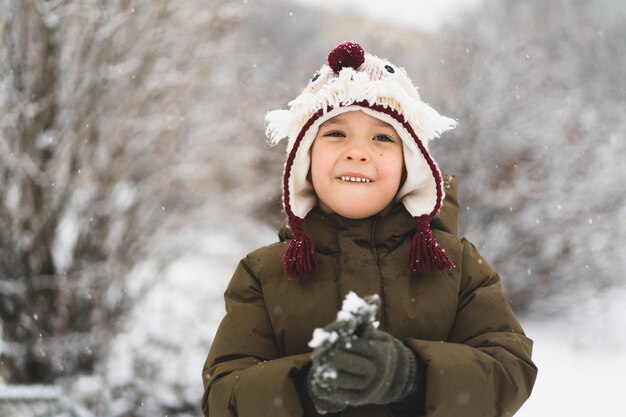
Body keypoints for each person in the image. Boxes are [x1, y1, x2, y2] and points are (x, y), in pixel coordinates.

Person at [201, 41, 537, 417]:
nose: (357, 152)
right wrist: (304, 386)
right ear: (303, 158)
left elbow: (510, 369)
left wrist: (413, 374)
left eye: (382, 137)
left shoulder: (458, 266)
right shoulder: (262, 274)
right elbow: (223, 394)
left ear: (412, 163)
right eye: (335, 134)